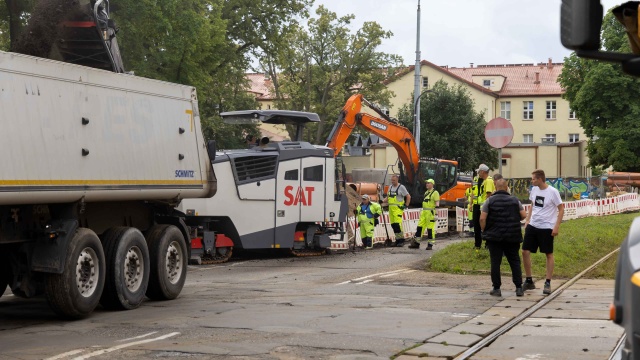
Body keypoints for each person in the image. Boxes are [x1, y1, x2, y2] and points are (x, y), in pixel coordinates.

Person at [480, 178, 527, 297]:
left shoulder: (489, 201)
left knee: (495, 262)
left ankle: (496, 288)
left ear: (495, 188)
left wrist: (484, 230)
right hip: (512, 237)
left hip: (494, 238)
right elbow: (523, 215)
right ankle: (519, 288)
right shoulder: (515, 200)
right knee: (515, 261)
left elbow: (482, 218)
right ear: (507, 188)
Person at [522, 169, 564, 295]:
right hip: (533, 225)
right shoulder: (534, 190)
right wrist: (528, 220)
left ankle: (547, 282)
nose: (532, 181)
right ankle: (529, 280)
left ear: (540, 179)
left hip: (547, 227)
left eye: (534, 179)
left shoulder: (553, 192)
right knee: (525, 251)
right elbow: (532, 204)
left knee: (548, 254)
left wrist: (556, 226)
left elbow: (561, 209)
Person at [409, 179, 439, 250]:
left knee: (430, 229)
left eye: (428, 183)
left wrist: (436, 214)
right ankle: (416, 243)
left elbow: (437, 203)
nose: (427, 184)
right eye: (426, 183)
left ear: (432, 184)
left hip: (430, 213)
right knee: (420, 227)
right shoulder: (426, 192)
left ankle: (430, 245)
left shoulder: (435, 193)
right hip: (424, 212)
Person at [382, 175, 411, 247]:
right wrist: (382, 201)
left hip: (398, 209)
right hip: (391, 209)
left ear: (397, 180)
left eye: (394, 180)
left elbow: (408, 196)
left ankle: (401, 240)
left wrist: (406, 205)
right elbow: (388, 197)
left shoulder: (401, 187)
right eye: (391, 180)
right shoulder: (390, 187)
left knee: (397, 225)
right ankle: (397, 240)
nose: (392, 182)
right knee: (393, 225)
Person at [472, 164, 495, 250]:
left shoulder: (488, 181)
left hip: (485, 207)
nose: (478, 173)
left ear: (482, 171)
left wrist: (485, 208)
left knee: (486, 225)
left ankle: (488, 244)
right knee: (477, 225)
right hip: (479, 205)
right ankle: (478, 244)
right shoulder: (479, 180)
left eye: (479, 171)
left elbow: (488, 195)